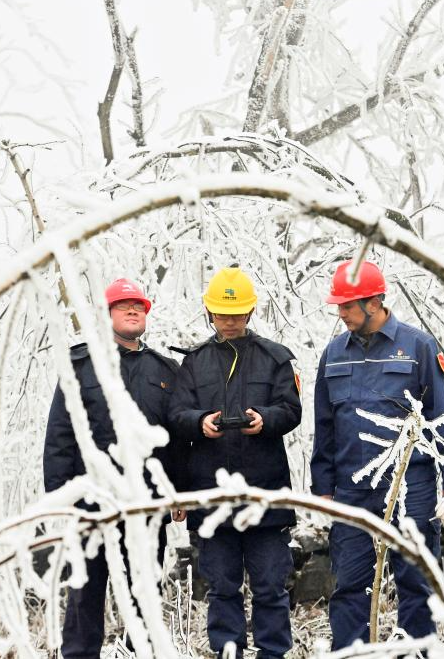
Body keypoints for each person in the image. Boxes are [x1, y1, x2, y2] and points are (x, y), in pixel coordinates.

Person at [311, 260, 444, 649]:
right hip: (352, 488)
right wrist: (322, 487)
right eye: (339, 305)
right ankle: (351, 655)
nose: (341, 313)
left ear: (375, 301)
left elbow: (441, 414)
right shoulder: (333, 354)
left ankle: (416, 652)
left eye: (348, 305)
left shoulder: (417, 347)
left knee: (416, 578)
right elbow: (325, 424)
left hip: (410, 484)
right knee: (349, 581)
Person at [43, 278, 183, 659]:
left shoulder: (166, 370)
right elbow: (59, 434)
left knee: (145, 598)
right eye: (123, 305)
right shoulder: (81, 365)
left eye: (139, 305)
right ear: (106, 315)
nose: (133, 310)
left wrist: (178, 492)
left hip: (146, 509)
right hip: (92, 504)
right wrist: (59, 498)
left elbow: (178, 437)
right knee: (84, 597)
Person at [170, 267, 301, 659]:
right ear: (209, 312)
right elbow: (175, 414)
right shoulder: (192, 363)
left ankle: (273, 653)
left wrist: (265, 419)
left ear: (251, 311)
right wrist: (199, 421)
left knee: (270, 586)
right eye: (222, 313)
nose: (230, 320)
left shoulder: (275, 358)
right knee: (222, 586)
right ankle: (228, 653)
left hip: (266, 495)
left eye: (237, 313)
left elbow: (291, 410)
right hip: (211, 497)